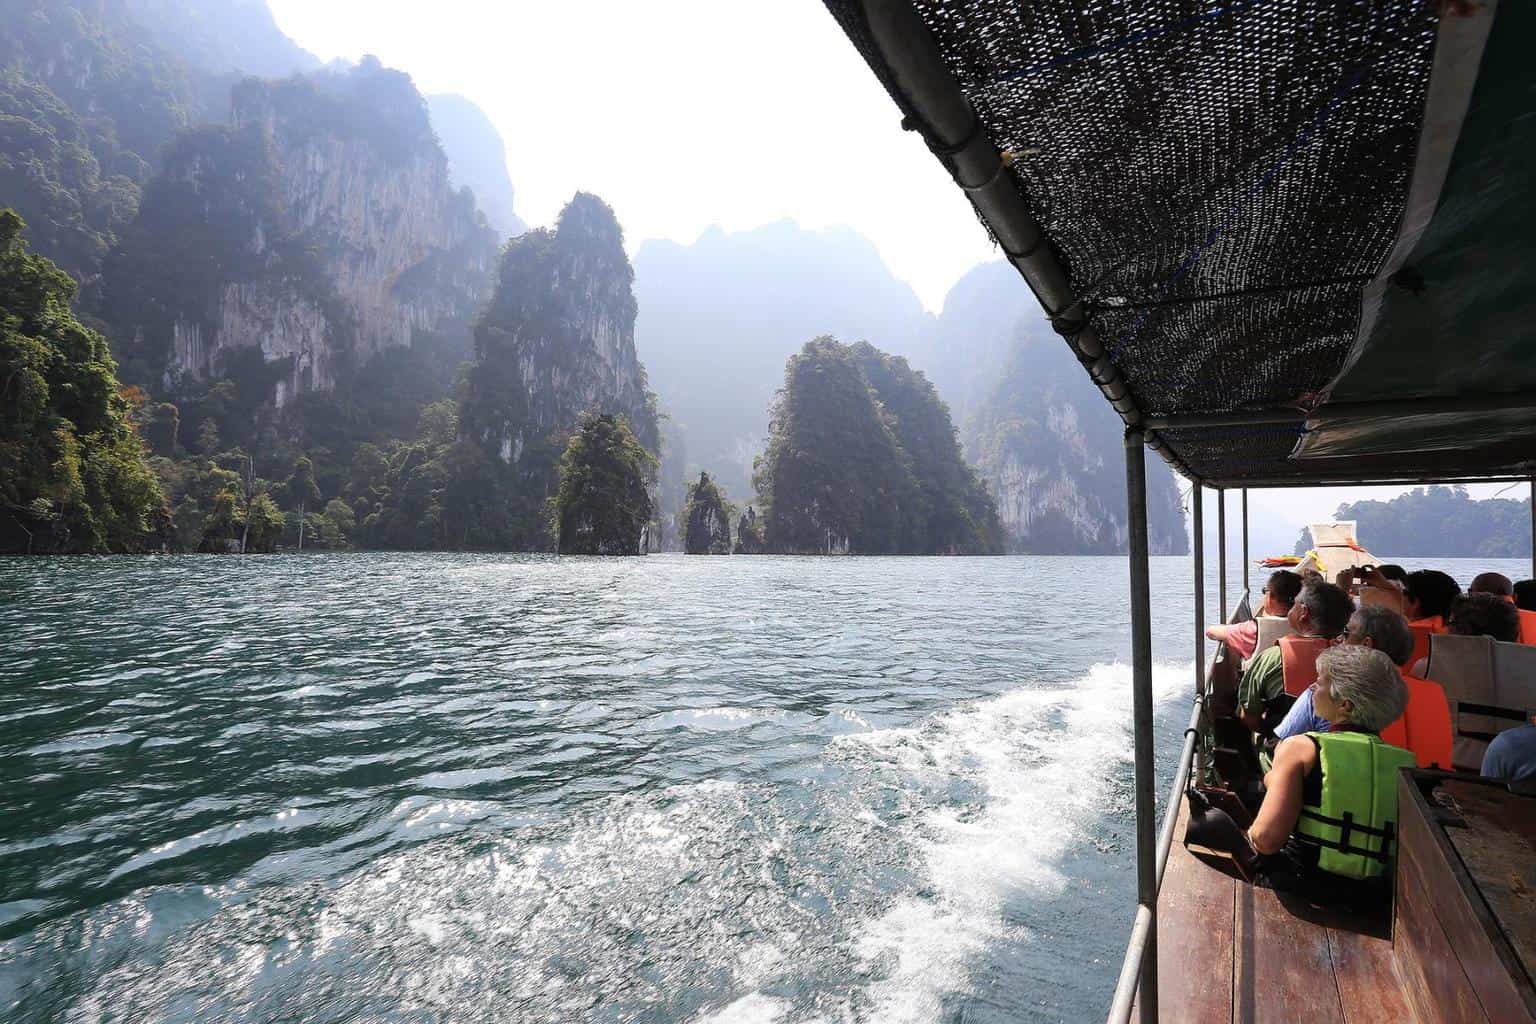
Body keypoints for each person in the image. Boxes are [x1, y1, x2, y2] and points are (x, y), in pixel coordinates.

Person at [1246, 646, 1414, 890]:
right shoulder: (1406, 765)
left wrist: (1252, 830)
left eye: (1320, 683)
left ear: (1345, 706)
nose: (1312, 688)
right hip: (1373, 895)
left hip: (1302, 886)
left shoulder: (1301, 748)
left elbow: (1266, 839)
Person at [1273, 605, 1415, 739]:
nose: (1338, 639)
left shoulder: (1326, 693)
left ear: (1365, 645)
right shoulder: (1426, 693)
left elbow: (1281, 743)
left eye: (1346, 633)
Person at [1236, 580, 1353, 732]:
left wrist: (1268, 733)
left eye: (1294, 604)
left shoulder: (1273, 658)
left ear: (1303, 612)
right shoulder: (1353, 659)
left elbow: (1248, 716)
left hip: (1283, 742)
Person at [1408, 592, 1522, 676]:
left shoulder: (1427, 669)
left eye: (1450, 623)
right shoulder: (1525, 670)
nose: (1446, 628)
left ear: (1462, 632)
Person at [1206, 569, 1302, 660]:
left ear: (1270, 597)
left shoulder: (1253, 630)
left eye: (1264, 591)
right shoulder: (1306, 625)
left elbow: (1211, 631)